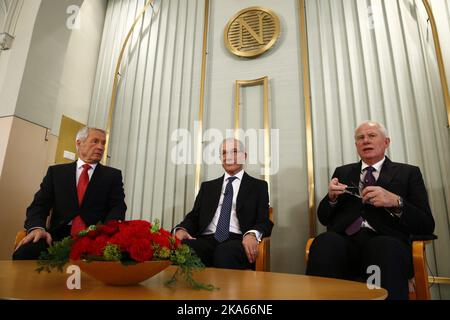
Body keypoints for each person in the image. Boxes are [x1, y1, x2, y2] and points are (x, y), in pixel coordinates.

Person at [306, 121, 435, 300]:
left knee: (382, 247)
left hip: (388, 244)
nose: (366, 141)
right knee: (324, 242)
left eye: (372, 136)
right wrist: (331, 199)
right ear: (356, 144)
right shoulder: (343, 172)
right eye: (361, 138)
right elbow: (324, 218)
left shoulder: (408, 173)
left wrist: (396, 202)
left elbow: (426, 224)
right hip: (347, 245)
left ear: (386, 142)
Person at [13, 127, 127, 259]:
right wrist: (37, 228)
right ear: (79, 143)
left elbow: (118, 207)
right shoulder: (56, 173)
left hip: (95, 236)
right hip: (57, 236)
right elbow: (39, 205)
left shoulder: (112, 175)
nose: (100, 147)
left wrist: (106, 233)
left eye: (103, 143)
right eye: (95, 141)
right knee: (25, 253)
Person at [174, 138, 273, 269]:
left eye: (235, 152)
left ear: (244, 156)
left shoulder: (258, 186)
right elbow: (193, 217)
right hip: (207, 239)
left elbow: (263, 220)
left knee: (224, 253)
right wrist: (181, 230)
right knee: (184, 248)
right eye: (224, 153)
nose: (229, 157)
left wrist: (252, 234)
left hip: (238, 240)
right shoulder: (207, 187)